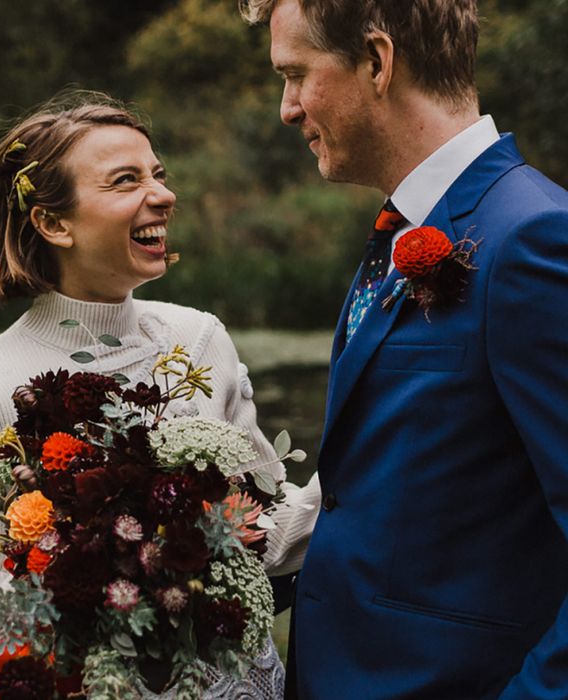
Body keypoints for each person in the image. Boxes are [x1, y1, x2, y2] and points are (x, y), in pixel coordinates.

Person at [0, 94, 320, 698]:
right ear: (55, 223)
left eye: (158, 174)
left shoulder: (201, 339)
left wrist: (349, 485)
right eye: (126, 180)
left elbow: (261, 526)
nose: (162, 195)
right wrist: (89, 582)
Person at [240, 0, 568, 698]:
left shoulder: (533, 240)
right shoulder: (403, 230)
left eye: (296, 74)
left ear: (377, 63)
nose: (287, 109)